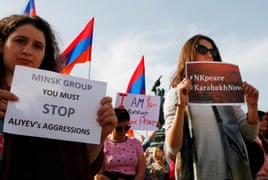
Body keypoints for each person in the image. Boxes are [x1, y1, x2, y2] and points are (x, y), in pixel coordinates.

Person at [0, 14, 117, 180]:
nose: (27, 50)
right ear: (1, 45)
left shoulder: (65, 100)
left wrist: (100, 136)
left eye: (37, 46)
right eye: (20, 41)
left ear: (45, 55)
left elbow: (81, 164)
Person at [163, 34, 259, 179]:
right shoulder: (176, 94)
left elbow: (249, 135)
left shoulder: (227, 92)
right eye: (202, 49)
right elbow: (173, 149)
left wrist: (252, 106)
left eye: (213, 52)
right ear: (189, 53)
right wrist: (181, 106)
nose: (209, 55)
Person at [95, 107, 146, 180]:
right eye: (119, 128)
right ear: (111, 126)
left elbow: (141, 171)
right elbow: (98, 174)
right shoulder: (103, 144)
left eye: (126, 127)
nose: (123, 131)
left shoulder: (136, 143)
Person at [256, 111, 268, 179]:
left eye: (265, 119)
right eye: (261, 120)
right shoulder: (251, 142)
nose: (265, 122)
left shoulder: (266, 141)